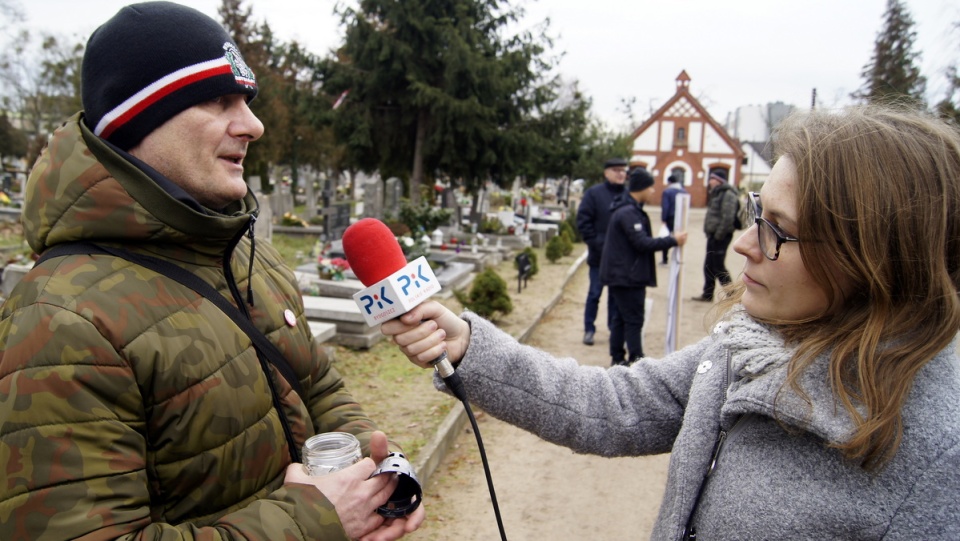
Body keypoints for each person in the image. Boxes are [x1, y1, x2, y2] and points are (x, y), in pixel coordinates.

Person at [381, 105, 960, 539]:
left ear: (874, 259)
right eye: (757, 213)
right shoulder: (749, 347)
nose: (743, 246)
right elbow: (615, 405)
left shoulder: (935, 461)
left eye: (777, 230)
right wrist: (469, 348)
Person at [0, 3, 423, 540]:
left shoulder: (252, 258)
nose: (253, 125)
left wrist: (379, 475)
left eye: (245, 101)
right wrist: (316, 522)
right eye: (220, 101)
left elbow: (319, 388)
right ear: (138, 121)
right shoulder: (60, 320)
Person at [600, 168, 687, 365]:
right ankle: (636, 360)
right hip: (627, 276)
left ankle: (618, 358)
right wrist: (672, 240)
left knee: (621, 318)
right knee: (633, 320)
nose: (653, 191)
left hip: (623, 274)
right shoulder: (628, 213)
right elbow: (642, 243)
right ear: (641, 188)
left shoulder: (628, 209)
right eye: (650, 187)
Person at [576, 157, 627, 345]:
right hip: (599, 256)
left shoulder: (627, 195)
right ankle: (589, 329)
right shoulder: (594, 194)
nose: (621, 173)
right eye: (616, 170)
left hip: (619, 259)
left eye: (623, 170)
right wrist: (597, 243)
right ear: (606, 173)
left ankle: (613, 330)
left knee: (615, 297)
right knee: (594, 294)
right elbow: (583, 220)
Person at [692, 168, 738, 302]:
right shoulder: (717, 193)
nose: (710, 181)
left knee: (718, 266)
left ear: (719, 180)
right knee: (709, 265)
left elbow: (727, 217)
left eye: (712, 178)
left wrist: (718, 235)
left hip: (721, 236)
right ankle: (707, 294)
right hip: (713, 235)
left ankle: (732, 294)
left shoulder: (728, 194)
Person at [659, 172, 688, 264]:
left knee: (666, 237)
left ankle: (665, 258)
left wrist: (663, 219)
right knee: (679, 237)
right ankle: (679, 257)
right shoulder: (683, 191)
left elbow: (665, 206)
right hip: (680, 217)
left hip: (670, 217)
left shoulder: (667, 192)